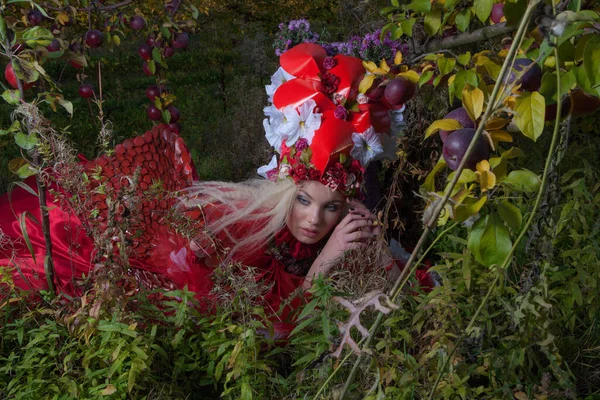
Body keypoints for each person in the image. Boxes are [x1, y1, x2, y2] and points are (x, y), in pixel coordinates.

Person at [0, 43, 411, 327]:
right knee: (71, 249)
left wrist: (370, 241)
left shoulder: (338, 228)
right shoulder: (248, 228)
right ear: (286, 189)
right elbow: (269, 324)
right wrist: (322, 267)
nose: (312, 220)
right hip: (175, 272)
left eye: (331, 208)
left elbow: (401, 291)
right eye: (303, 200)